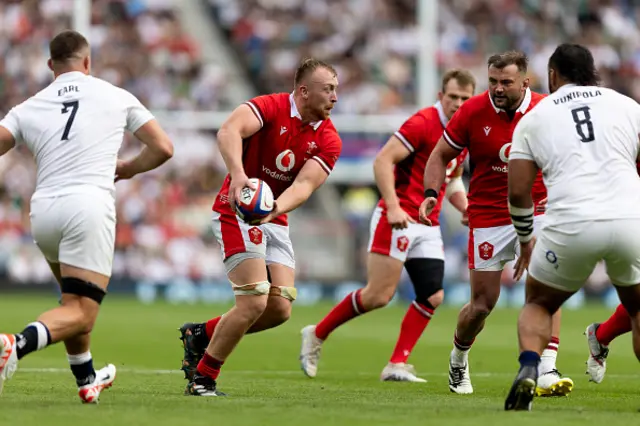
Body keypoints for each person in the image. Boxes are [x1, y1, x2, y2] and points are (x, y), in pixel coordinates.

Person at [0, 30, 173, 402]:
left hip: (44, 212)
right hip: (88, 207)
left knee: (72, 303)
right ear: (88, 62)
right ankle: (14, 344)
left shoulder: (29, 105)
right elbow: (163, 148)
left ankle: (86, 378)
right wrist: (127, 168)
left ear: (51, 66)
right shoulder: (115, 95)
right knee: (83, 313)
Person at [297, 69, 475, 382]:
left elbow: (454, 176)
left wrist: (465, 207)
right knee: (378, 296)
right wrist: (392, 206)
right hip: (400, 215)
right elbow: (383, 160)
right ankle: (317, 333)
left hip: (428, 223)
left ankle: (396, 363)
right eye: (453, 97)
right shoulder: (422, 123)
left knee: (432, 296)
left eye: (464, 98)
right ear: (440, 97)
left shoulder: (462, 132)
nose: (458, 103)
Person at [179, 58, 342, 396]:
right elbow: (229, 131)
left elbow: (304, 186)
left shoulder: (330, 139)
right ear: (303, 91)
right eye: (328, 89)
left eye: (336, 90)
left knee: (279, 309)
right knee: (253, 301)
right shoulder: (270, 106)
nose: (335, 97)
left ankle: (201, 335)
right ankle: (203, 378)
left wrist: (273, 210)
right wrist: (239, 178)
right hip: (235, 209)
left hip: (274, 218)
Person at [419, 51, 573, 396]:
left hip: (540, 211)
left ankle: (547, 368)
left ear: (525, 82)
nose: (498, 88)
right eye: (492, 81)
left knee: (547, 286)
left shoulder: (548, 110)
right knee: (481, 305)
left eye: (506, 82)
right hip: (488, 216)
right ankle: (459, 358)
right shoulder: (473, 111)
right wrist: (432, 191)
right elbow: (440, 155)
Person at [503, 43, 640, 411]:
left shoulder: (535, 116)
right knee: (639, 307)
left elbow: (517, 192)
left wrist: (526, 238)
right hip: (630, 217)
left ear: (552, 76)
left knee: (539, 302)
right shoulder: (627, 105)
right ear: (592, 71)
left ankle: (531, 366)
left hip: (570, 221)